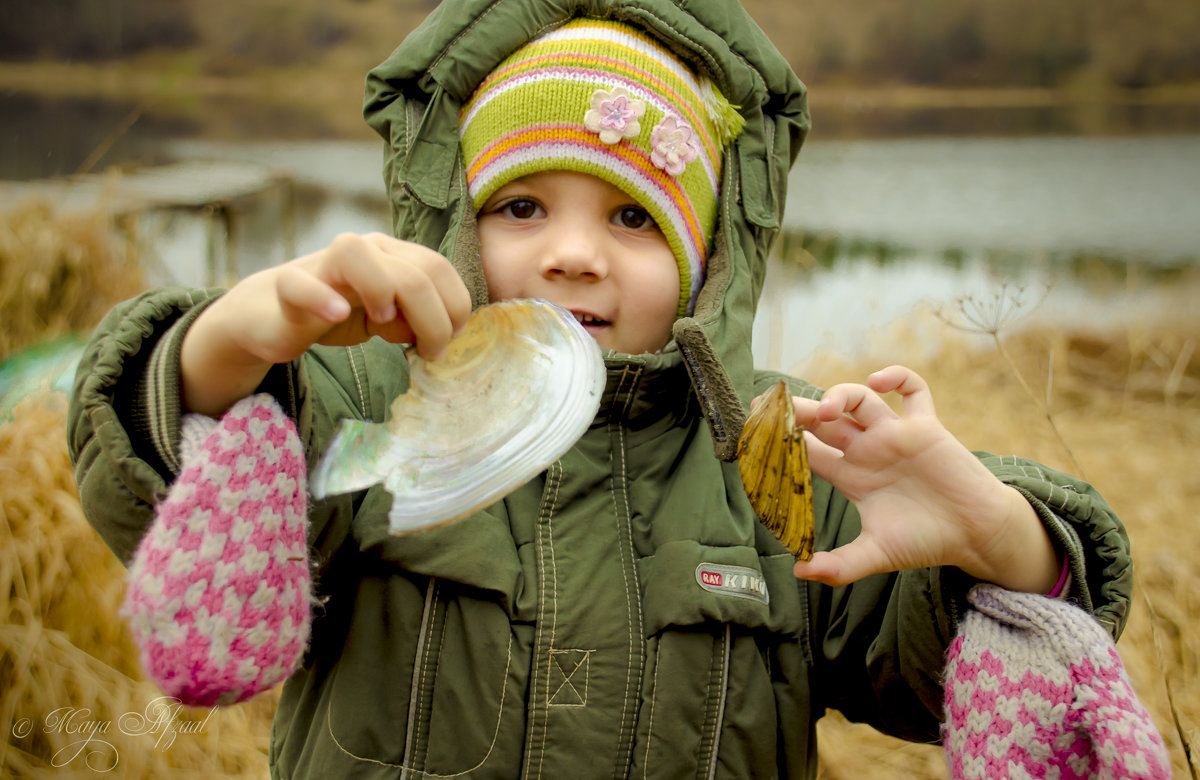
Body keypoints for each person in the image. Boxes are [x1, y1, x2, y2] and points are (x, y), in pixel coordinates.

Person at [69, 1, 1137, 777]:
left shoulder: (780, 451)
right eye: (522, 207)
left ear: (708, 255)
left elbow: (929, 688)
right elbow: (175, 498)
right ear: (458, 224)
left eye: (632, 218)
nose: (574, 255)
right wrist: (231, 341)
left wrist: (1000, 542)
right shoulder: (369, 400)